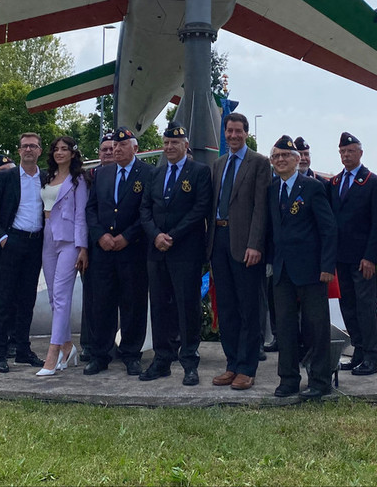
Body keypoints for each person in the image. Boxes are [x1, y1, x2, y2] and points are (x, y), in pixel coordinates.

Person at [138, 122, 213, 386]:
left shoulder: (199, 172)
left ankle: (190, 361)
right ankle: (161, 360)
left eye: (175, 143)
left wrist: (173, 236)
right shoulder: (155, 175)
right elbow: (144, 209)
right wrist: (156, 235)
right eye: (166, 143)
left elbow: (201, 207)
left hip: (185, 251)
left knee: (187, 307)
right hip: (156, 251)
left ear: (185, 145)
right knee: (159, 307)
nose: (170, 147)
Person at [266, 136, 337, 400]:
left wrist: (327, 265)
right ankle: (288, 380)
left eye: (286, 156)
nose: (281, 160)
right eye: (276, 157)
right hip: (282, 270)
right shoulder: (271, 188)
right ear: (272, 162)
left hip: (312, 269)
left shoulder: (312, 188)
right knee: (284, 327)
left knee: (316, 327)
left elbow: (328, 229)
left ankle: (319, 381)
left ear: (298, 160)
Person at [83, 127, 153, 376]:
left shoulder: (147, 173)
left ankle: (131, 354)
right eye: (114, 146)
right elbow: (91, 209)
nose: (117, 149)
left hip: (131, 250)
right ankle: (100, 354)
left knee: (133, 304)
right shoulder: (101, 174)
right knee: (101, 303)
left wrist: (127, 236)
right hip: (103, 251)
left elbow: (148, 211)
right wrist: (99, 235)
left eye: (122, 145)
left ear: (135, 148)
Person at [208, 112, 269, 391]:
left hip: (245, 245)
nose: (233, 136)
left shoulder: (259, 163)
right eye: (229, 131)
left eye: (238, 131)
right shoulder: (218, 164)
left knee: (248, 308)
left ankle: (247, 367)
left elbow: (261, 207)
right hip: (219, 240)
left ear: (246, 133)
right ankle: (232, 364)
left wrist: (255, 244)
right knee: (228, 308)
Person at [0, 132, 46, 373]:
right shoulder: (6, 178)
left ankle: (23, 350)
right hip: (12, 242)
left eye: (33, 146)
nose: (28, 150)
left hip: (35, 244)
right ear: (19, 151)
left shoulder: (46, 179)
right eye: (24, 146)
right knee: (4, 300)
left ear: (40, 151)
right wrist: (3, 238)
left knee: (27, 300)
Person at [328, 132, 377, 376]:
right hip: (341, 258)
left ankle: (373, 356)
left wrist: (371, 257)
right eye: (342, 151)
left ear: (360, 153)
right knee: (348, 309)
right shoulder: (334, 182)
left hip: (363, 259)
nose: (346, 155)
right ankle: (358, 353)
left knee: (365, 308)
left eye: (350, 151)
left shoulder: (373, 182)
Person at [36, 136, 89, 376]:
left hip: (69, 241)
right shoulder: (47, 177)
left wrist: (82, 247)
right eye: (56, 149)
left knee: (61, 295)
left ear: (72, 153)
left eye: (64, 149)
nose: (59, 153)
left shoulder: (78, 180)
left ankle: (53, 352)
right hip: (48, 238)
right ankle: (68, 347)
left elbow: (80, 215)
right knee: (53, 298)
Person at [79, 132, 115, 362]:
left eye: (113, 149)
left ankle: (114, 346)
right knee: (92, 300)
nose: (109, 153)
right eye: (105, 150)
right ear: (99, 154)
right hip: (94, 246)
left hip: (123, 246)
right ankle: (89, 344)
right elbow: (83, 212)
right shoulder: (88, 178)